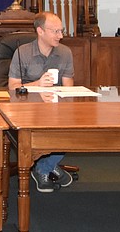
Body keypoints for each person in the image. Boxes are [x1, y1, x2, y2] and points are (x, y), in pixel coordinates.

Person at [8, 11, 77, 193]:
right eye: (55, 31)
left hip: (55, 109)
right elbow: (12, 88)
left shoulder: (65, 53)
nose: (60, 36)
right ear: (40, 31)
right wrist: (37, 84)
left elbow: (68, 88)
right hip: (28, 110)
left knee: (71, 128)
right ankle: (47, 166)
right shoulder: (22, 53)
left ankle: (43, 167)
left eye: (61, 31)